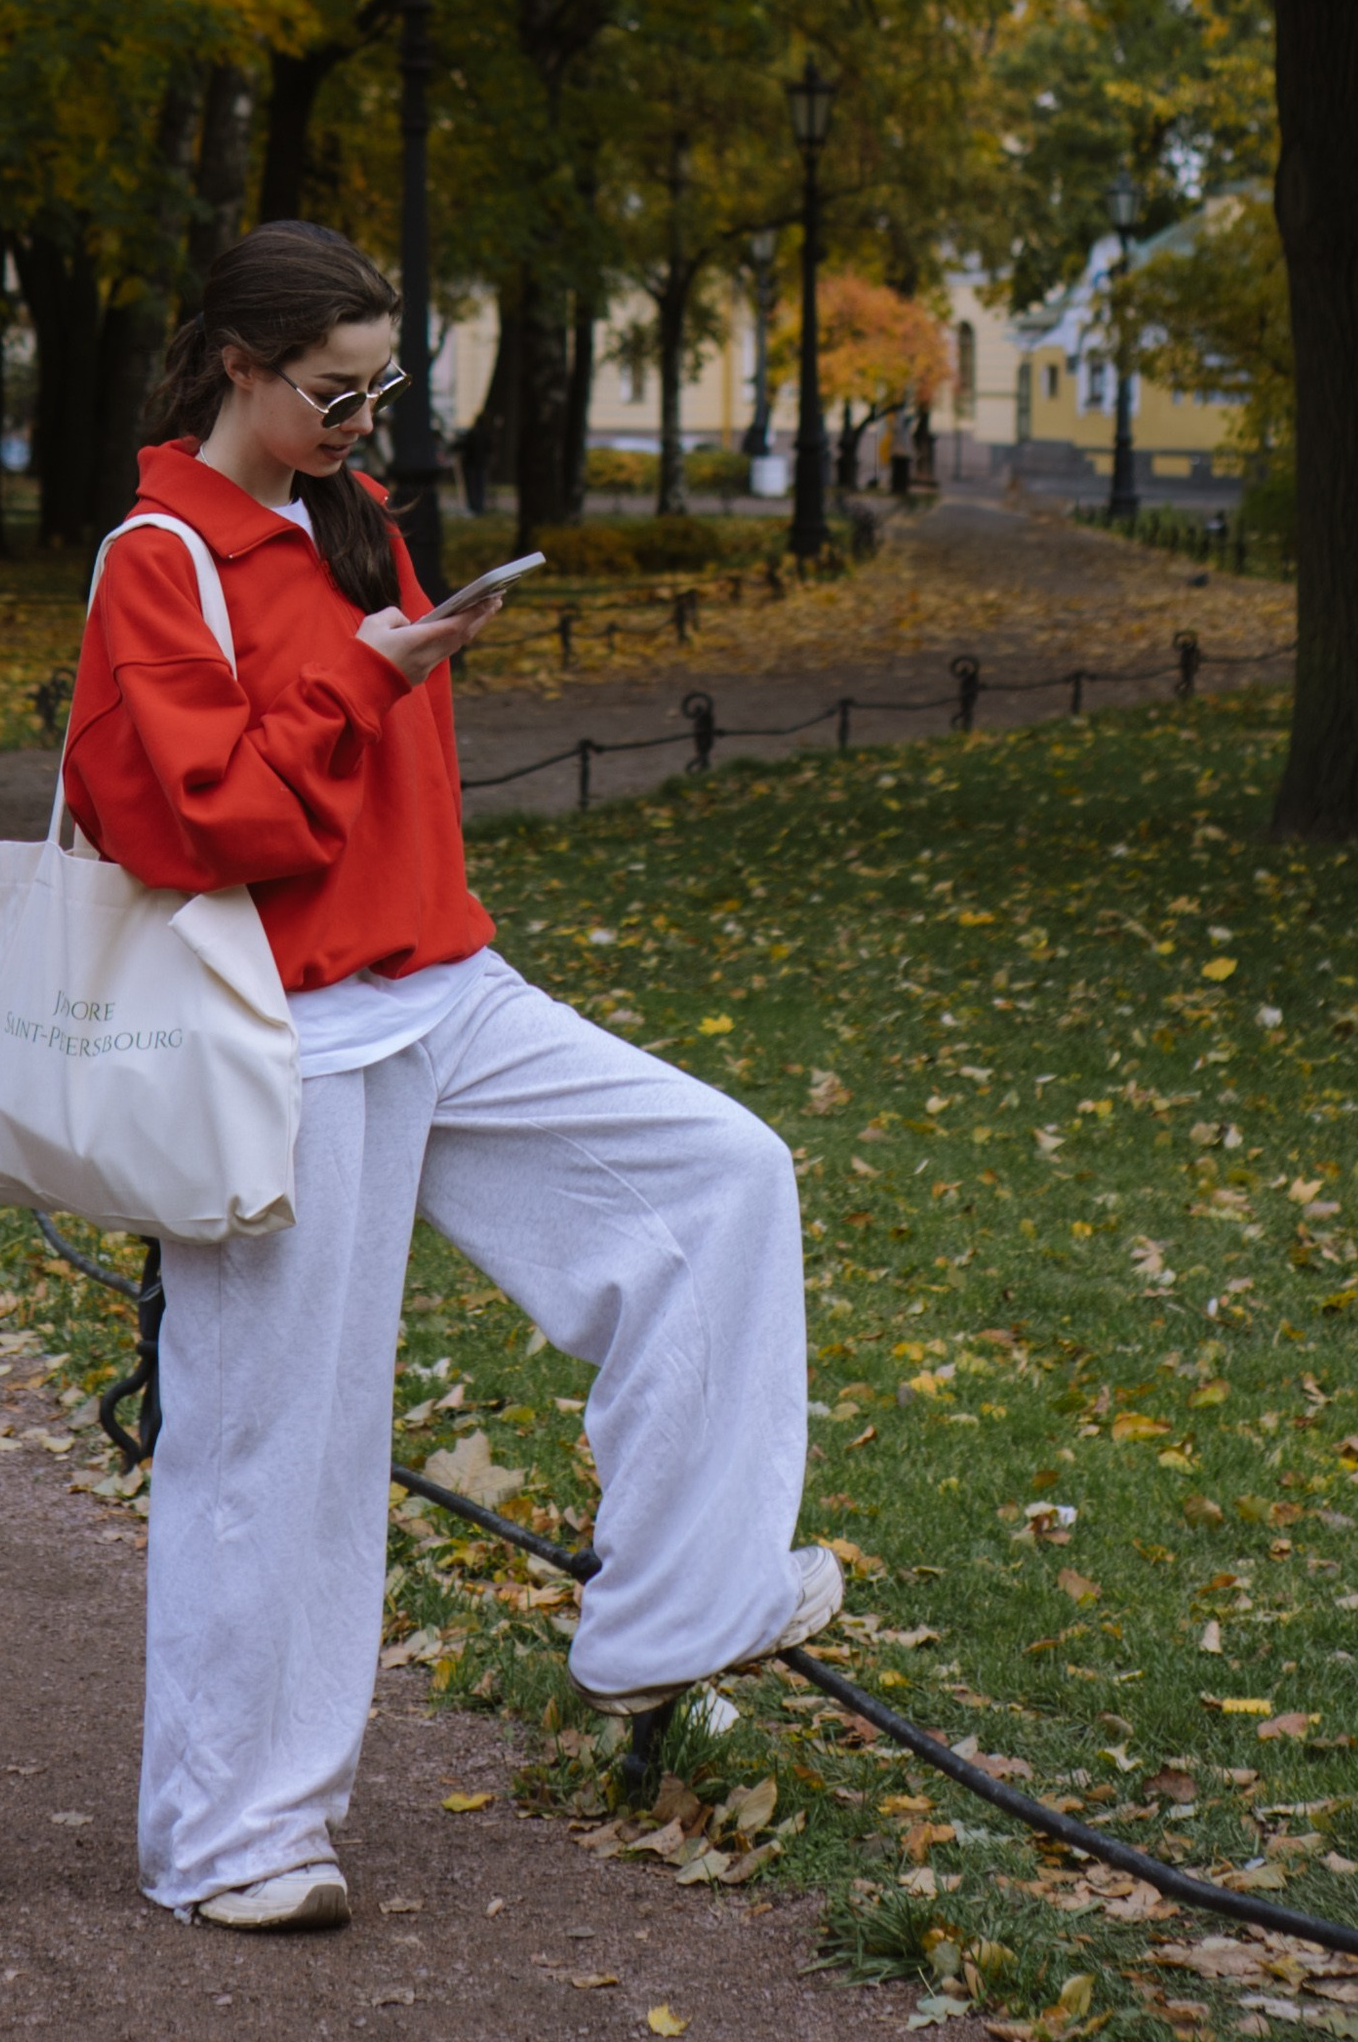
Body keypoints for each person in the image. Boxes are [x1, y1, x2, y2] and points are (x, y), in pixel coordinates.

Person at [60, 219, 834, 1934]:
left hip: (444, 982)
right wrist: (362, 673)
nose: (363, 420)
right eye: (333, 392)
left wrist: (395, 653)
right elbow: (188, 822)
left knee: (720, 1173)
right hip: (285, 1025)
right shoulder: (158, 552)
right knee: (282, 1439)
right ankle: (233, 1838)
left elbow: (371, 764)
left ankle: (675, 1608)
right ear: (237, 365)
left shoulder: (353, 516)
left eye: (381, 386)